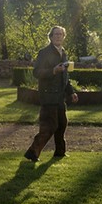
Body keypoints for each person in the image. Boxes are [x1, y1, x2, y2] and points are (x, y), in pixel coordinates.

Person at [24, 26, 78, 162]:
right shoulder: (44, 52)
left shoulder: (64, 53)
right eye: (56, 34)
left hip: (60, 97)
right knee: (49, 126)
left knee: (62, 124)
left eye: (61, 34)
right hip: (48, 95)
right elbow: (36, 72)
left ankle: (60, 152)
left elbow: (66, 77)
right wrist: (53, 71)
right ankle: (33, 152)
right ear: (51, 36)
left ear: (63, 37)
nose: (58, 36)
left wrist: (71, 92)